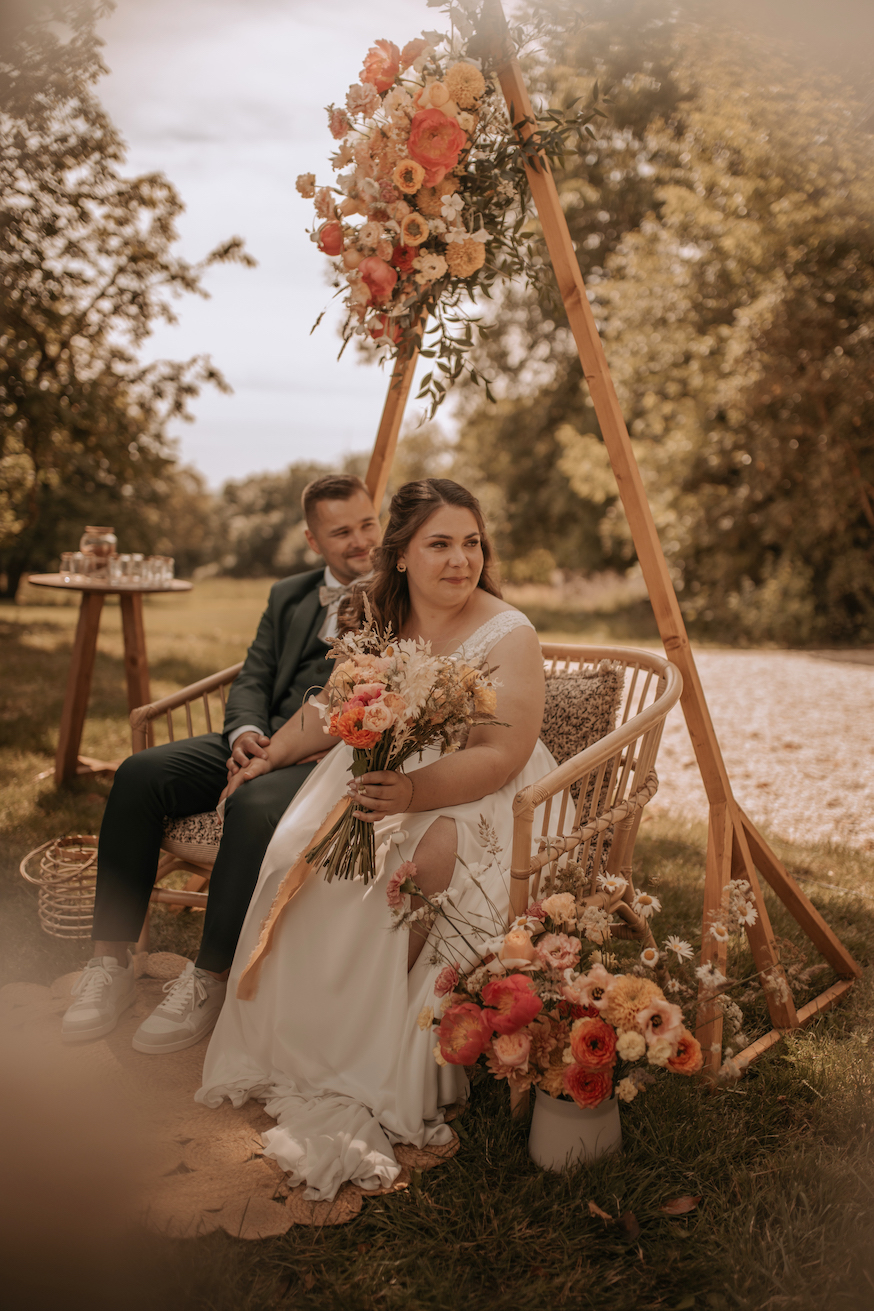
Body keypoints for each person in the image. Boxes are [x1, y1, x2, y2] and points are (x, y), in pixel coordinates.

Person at [195, 479, 555, 1202]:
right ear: (401, 554)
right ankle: (305, 1042)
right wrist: (269, 756)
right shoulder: (380, 617)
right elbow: (333, 705)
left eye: (472, 542)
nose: (461, 560)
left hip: (488, 792)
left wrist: (417, 792)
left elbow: (501, 754)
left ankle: (374, 1057)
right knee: (303, 851)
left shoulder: (510, 631)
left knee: (415, 869)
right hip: (386, 768)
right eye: (441, 544)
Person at [61, 475, 381, 1052]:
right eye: (342, 532)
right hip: (260, 738)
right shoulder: (289, 593)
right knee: (138, 774)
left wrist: (292, 747)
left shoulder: (399, 595)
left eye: (367, 524)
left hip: (329, 749)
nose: (361, 542)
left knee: (255, 804)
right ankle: (109, 963)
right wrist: (247, 735)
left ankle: (209, 977)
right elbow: (254, 674)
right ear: (313, 540)